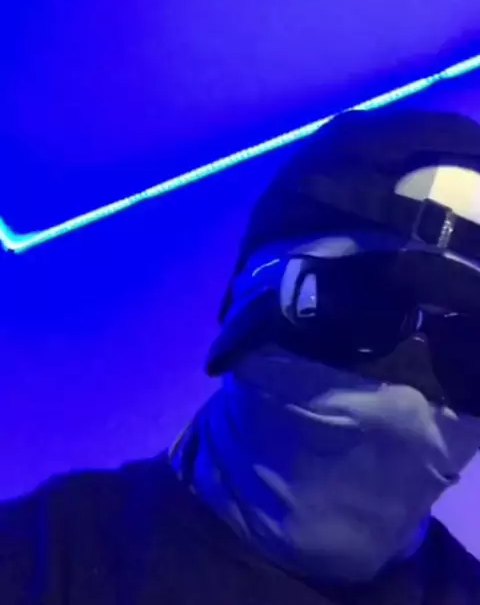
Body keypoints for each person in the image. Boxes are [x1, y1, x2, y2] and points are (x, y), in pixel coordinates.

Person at [2, 107, 480, 605]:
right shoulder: (39, 563)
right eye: (359, 306)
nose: (405, 397)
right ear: (250, 297)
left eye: (470, 352)